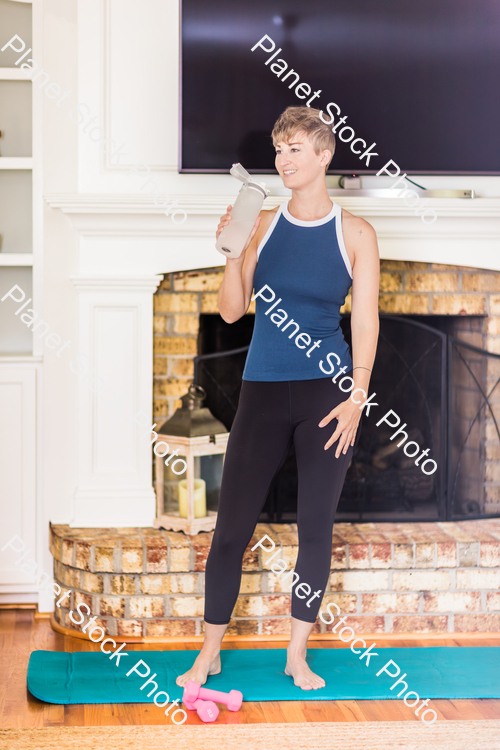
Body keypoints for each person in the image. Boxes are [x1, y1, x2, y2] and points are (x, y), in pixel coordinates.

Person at [177, 106, 380, 691]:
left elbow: (364, 321)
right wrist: (234, 250)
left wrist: (357, 395)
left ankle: (296, 653)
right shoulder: (261, 222)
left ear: (324, 156)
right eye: (278, 149)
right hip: (262, 390)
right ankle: (208, 653)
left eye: (295, 148)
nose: (283, 159)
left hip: (328, 393)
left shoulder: (356, 233)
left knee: (315, 526)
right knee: (231, 529)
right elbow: (232, 310)